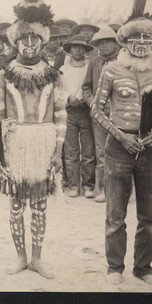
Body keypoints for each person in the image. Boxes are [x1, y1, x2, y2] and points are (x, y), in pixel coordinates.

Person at [91, 0, 152, 286]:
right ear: (124, 42)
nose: (141, 43)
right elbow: (97, 110)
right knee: (115, 214)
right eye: (134, 38)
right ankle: (115, 267)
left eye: (147, 38)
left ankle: (144, 269)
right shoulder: (112, 71)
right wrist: (120, 135)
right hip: (118, 148)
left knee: (149, 217)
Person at [0, 0, 67, 278]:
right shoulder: (4, 73)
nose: (30, 44)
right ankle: (20, 257)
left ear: (44, 41)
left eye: (36, 38)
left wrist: (58, 150)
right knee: (15, 203)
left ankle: (37, 258)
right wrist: (0, 156)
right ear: (16, 40)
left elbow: (61, 113)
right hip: (15, 142)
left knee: (39, 203)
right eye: (25, 38)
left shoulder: (54, 74)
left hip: (44, 141)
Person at [82, 26, 120, 203]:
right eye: (100, 43)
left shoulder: (123, 61)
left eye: (107, 42)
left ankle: (123, 191)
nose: (103, 46)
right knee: (102, 152)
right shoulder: (95, 62)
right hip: (99, 115)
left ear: (115, 43)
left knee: (122, 151)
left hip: (120, 114)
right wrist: (92, 103)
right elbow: (86, 87)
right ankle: (105, 189)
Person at [60, 35, 95, 198]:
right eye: (75, 47)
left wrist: (82, 98)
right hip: (69, 111)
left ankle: (88, 185)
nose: (78, 50)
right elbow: (60, 88)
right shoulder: (63, 69)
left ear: (85, 50)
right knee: (71, 150)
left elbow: (90, 85)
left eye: (81, 47)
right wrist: (69, 97)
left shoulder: (90, 67)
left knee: (88, 150)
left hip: (86, 110)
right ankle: (74, 185)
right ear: (70, 50)